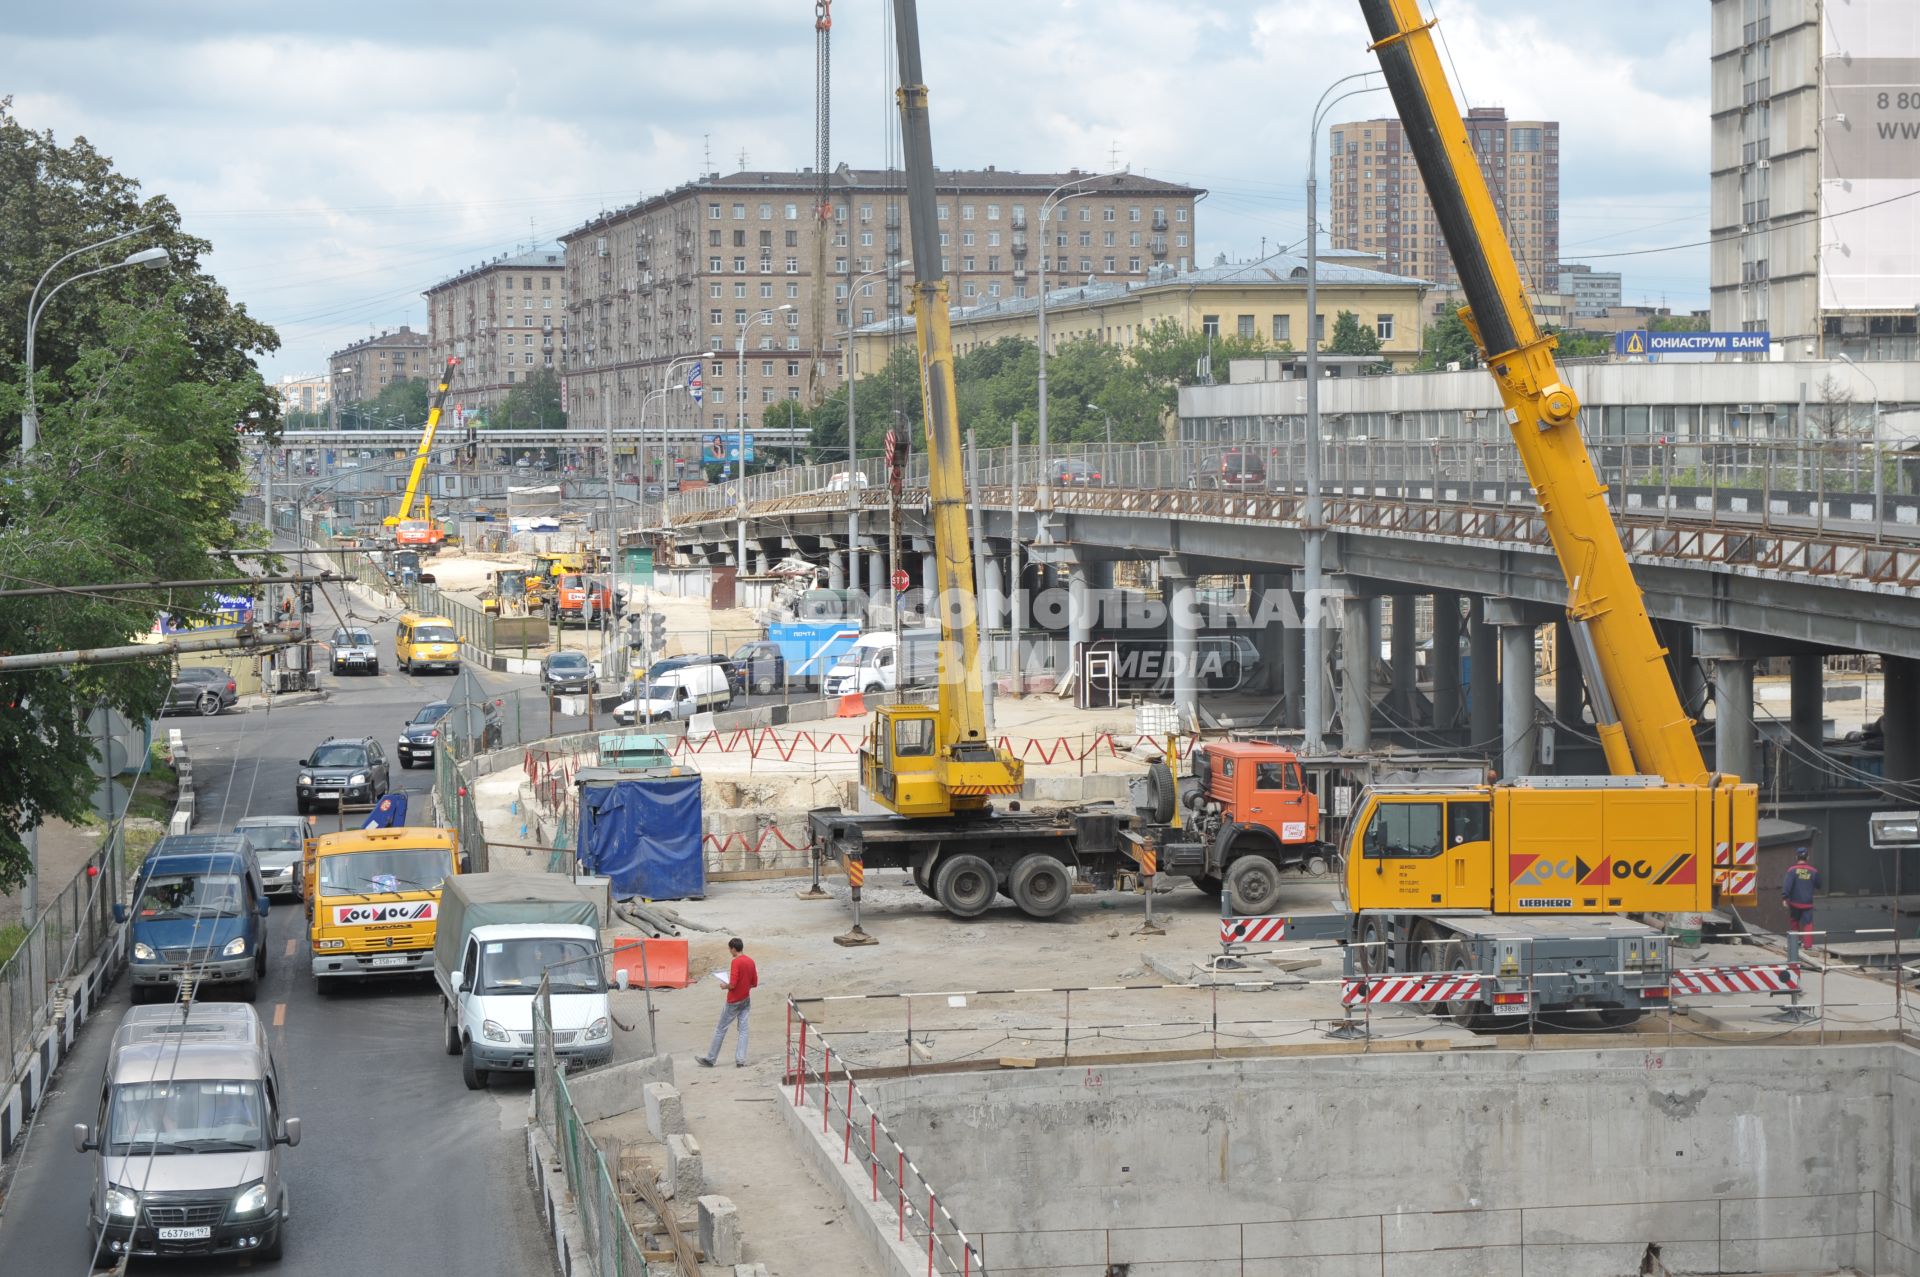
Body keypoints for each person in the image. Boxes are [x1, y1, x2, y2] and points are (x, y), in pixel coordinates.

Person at [695, 937, 758, 1068]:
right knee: (743, 1030)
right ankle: (740, 1060)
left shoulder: (736, 962)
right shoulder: (750, 961)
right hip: (746, 999)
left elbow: (733, 984)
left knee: (721, 1029)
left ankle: (711, 1059)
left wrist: (725, 986)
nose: (730, 951)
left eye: (730, 949)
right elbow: (754, 983)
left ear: (733, 949)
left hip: (733, 1001)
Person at [1782, 848, 1820, 946]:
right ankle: (1807, 945)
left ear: (1796, 857)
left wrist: (1785, 898)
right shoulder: (1813, 871)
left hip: (1794, 903)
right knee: (1808, 924)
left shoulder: (1791, 870)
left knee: (1794, 922)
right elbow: (1819, 885)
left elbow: (1787, 885)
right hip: (1808, 903)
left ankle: (1795, 944)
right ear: (1807, 857)